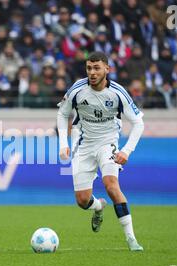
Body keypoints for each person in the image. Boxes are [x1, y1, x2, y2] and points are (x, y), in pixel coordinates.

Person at [56, 52, 144, 251]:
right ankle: (98, 207)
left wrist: (127, 151)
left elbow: (138, 122)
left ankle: (131, 239)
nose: (92, 73)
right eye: (89, 68)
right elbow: (62, 114)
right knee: (82, 200)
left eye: (97, 68)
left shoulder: (118, 92)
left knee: (111, 185)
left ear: (107, 69)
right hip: (83, 145)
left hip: (108, 143)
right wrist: (63, 143)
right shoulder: (78, 89)